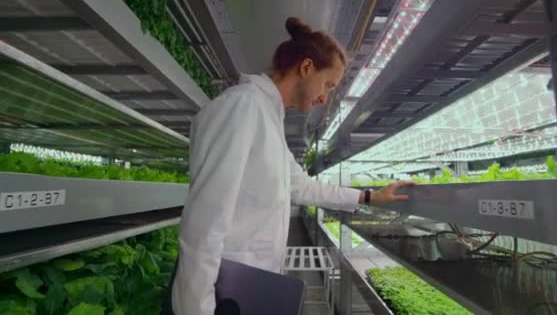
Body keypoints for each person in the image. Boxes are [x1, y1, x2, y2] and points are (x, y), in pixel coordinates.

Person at [171, 17, 413, 314]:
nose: (325, 97)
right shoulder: (241, 107)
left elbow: (302, 186)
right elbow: (203, 224)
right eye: (327, 84)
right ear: (306, 67)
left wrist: (369, 197)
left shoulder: (269, 119)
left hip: (246, 286)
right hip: (219, 294)